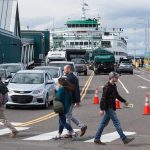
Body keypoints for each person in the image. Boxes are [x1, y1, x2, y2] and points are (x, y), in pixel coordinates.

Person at [94, 72, 135, 145]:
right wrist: (101, 109)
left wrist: (124, 101)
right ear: (112, 78)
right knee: (116, 123)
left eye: (117, 77)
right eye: (116, 77)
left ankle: (97, 138)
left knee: (103, 124)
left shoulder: (113, 85)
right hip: (108, 107)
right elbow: (103, 99)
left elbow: (117, 95)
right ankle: (124, 138)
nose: (117, 79)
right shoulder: (107, 87)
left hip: (112, 107)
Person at [64, 65, 87, 137]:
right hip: (72, 99)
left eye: (64, 70)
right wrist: (77, 100)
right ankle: (81, 126)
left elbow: (68, 91)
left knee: (67, 116)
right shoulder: (74, 78)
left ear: (68, 69)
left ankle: (69, 132)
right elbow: (76, 90)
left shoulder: (69, 79)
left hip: (69, 100)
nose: (64, 71)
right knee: (69, 115)